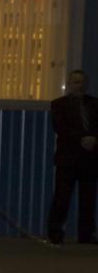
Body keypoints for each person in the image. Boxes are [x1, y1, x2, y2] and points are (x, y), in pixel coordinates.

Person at [46, 69, 98, 245]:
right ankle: (55, 232)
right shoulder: (58, 105)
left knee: (88, 198)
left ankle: (86, 234)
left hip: (90, 159)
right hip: (67, 158)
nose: (79, 85)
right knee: (62, 196)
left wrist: (94, 138)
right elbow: (61, 127)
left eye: (82, 82)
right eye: (76, 82)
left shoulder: (95, 103)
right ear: (69, 84)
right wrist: (83, 138)